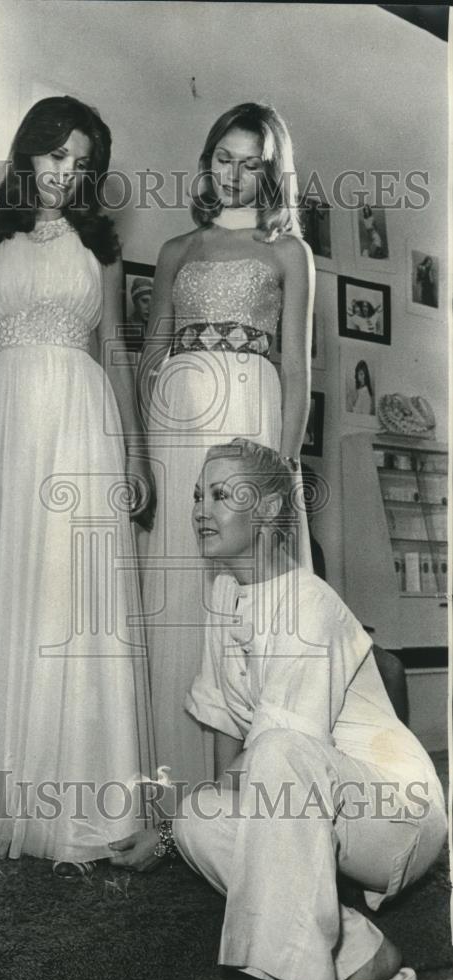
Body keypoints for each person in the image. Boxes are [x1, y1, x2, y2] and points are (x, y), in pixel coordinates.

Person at [110, 439, 446, 980]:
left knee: (278, 751)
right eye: (198, 495)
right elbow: (226, 728)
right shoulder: (225, 594)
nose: (200, 510)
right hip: (309, 795)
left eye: (220, 495)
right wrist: (177, 829)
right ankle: (361, 953)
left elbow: (279, 756)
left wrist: (179, 823)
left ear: (266, 509)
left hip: (396, 815)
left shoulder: (308, 604)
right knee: (197, 817)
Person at [0, 95, 155, 876]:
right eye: (56, 155)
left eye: (82, 162)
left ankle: (81, 806)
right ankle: (1, 798)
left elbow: (116, 352)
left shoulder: (98, 248)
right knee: (8, 595)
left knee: (73, 600)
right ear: (26, 151)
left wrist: (135, 458)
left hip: (82, 430)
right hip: (4, 424)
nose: (66, 173)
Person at [136, 102, 313, 791]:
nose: (234, 174)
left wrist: (283, 469)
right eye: (223, 158)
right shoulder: (177, 250)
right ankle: (173, 781)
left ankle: (248, 782)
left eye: (251, 162)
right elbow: (152, 350)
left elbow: (297, 367)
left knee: (243, 592)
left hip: (249, 410)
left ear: (271, 173)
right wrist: (143, 452)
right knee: (182, 579)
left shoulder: (286, 252)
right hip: (176, 420)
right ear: (207, 160)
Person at [124, 275, 154, 352]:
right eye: (144, 301)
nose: (149, 308)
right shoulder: (127, 325)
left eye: (152, 303)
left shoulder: (155, 327)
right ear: (135, 302)